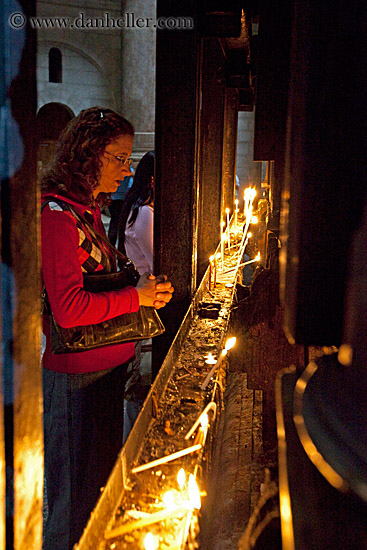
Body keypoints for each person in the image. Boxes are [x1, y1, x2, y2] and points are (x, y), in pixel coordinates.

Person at [40, 107, 173, 550]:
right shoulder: (58, 215)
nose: (127, 169)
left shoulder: (86, 210)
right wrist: (136, 297)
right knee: (72, 503)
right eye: (118, 157)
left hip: (105, 371)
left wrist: (142, 290)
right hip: (77, 378)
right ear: (88, 153)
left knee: (98, 493)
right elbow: (69, 309)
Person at [117, 151, 155, 441]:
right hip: (142, 304)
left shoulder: (140, 210)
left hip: (141, 301)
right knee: (139, 380)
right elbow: (157, 263)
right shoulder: (145, 214)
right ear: (154, 180)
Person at [107, 166, 134, 246]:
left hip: (118, 197)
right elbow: (131, 173)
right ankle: (114, 246)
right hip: (119, 198)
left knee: (116, 223)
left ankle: (114, 246)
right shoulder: (122, 167)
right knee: (118, 224)